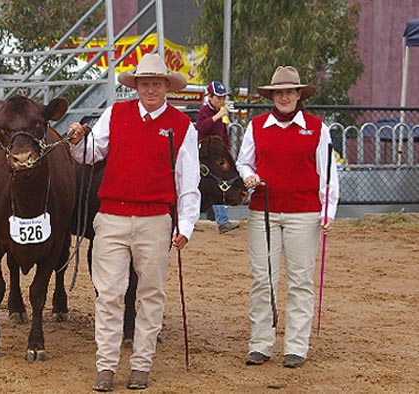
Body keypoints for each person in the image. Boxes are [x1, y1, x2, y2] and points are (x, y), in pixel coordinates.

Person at [68, 53, 200, 391]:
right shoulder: (115, 113)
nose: (150, 88)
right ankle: (106, 366)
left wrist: (185, 224)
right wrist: (77, 139)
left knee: (151, 293)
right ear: (136, 86)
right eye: (145, 83)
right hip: (111, 217)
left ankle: (142, 364)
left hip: (155, 219)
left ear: (167, 86)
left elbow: (188, 182)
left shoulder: (183, 126)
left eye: (156, 83)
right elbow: (88, 155)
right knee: (109, 293)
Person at [236, 66, 339, 368]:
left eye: (289, 92)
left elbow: (329, 174)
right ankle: (260, 344)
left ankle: (296, 346)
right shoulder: (256, 126)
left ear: (298, 95)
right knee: (262, 279)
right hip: (263, 212)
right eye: (278, 92)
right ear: (272, 96)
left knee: (300, 281)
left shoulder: (317, 128)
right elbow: (244, 163)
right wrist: (250, 176)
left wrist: (327, 211)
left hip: (304, 214)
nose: (284, 97)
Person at [195, 80, 240, 234]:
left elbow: (223, 134)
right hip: (204, 156)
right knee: (202, 187)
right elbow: (201, 127)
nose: (221, 101)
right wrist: (217, 117)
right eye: (218, 97)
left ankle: (221, 221)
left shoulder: (221, 113)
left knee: (212, 187)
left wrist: (226, 151)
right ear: (211, 97)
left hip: (215, 158)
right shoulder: (205, 112)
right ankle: (218, 221)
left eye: (223, 98)